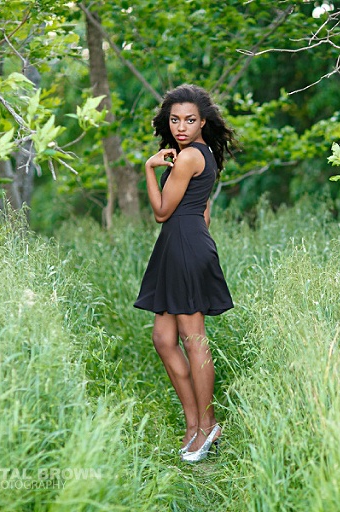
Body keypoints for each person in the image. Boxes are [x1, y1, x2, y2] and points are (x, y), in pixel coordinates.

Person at [134, 84, 235, 462]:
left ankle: (207, 427)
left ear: (202, 122)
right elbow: (204, 208)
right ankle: (193, 424)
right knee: (164, 338)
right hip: (179, 246)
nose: (181, 126)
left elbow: (161, 211)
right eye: (175, 120)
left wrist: (148, 168)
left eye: (190, 120)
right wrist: (191, 230)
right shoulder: (201, 154)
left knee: (193, 339)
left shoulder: (191, 155)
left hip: (184, 246)